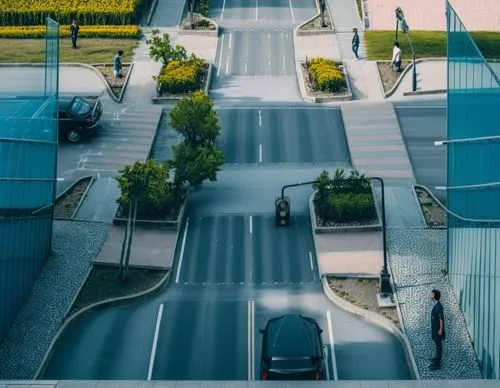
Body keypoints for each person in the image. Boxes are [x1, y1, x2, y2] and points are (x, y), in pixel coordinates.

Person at [429, 289, 446, 370]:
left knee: (439, 345)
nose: (431, 296)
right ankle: (436, 358)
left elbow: (441, 319)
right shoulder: (436, 304)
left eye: (432, 294)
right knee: (437, 344)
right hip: (435, 328)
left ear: (435, 296)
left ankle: (437, 363)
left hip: (438, 329)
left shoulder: (438, 306)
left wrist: (440, 330)